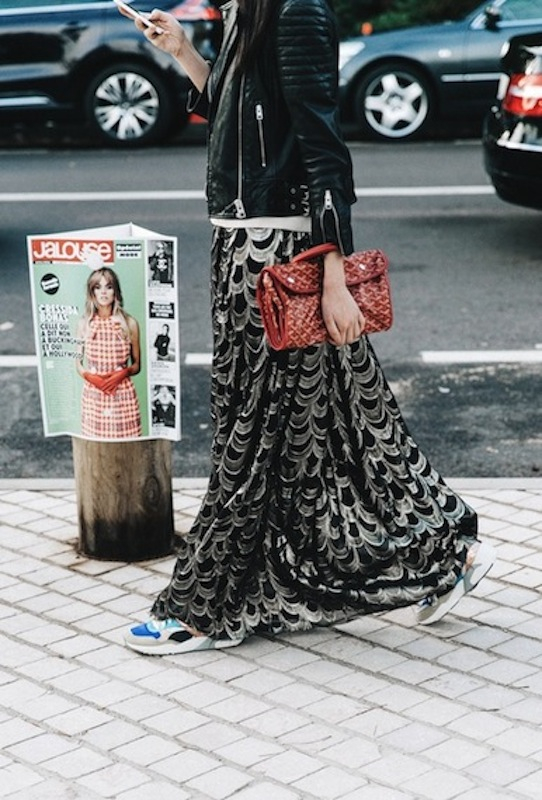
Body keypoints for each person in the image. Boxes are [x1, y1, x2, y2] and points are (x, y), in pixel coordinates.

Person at [122, 0, 495, 655]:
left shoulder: (296, 11)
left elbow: (322, 144)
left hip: (281, 255)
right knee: (346, 421)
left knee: (251, 433)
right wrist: (182, 50)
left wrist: (333, 271)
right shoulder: (251, 9)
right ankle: (447, 556)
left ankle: (204, 606)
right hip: (242, 248)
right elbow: (242, 116)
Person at [76, 267, 142, 439]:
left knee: (125, 444)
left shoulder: (129, 323)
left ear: (116, 291)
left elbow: (137, 365)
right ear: (92, 292)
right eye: (98, 287)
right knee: (95, 445)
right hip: (93, 394)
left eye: (109, 287)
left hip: (122, 392)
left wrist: (123, 373)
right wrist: (90, 377)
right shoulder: (84, 323)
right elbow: (77, 361)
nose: (103, 292)